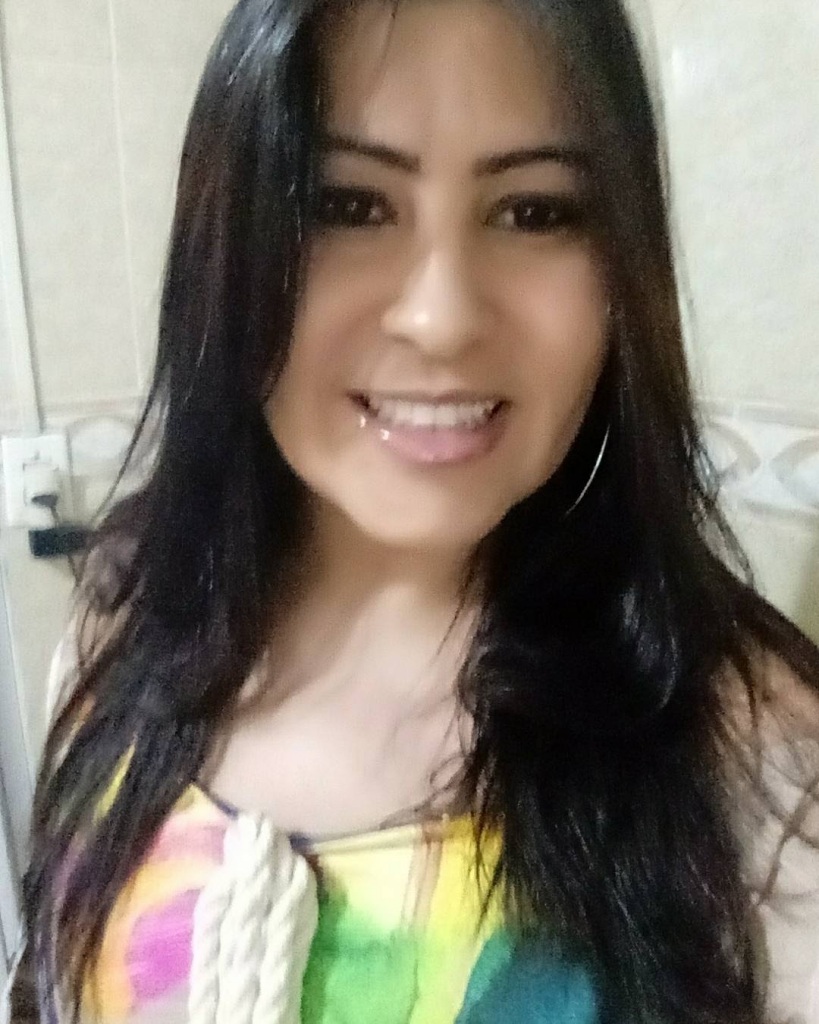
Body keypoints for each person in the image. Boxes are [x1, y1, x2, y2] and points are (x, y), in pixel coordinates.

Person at [18, 0, 819, 1021]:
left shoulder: (758, 775)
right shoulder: (127, 611)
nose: (440, 317)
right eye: (346, 204)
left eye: (534, 212)